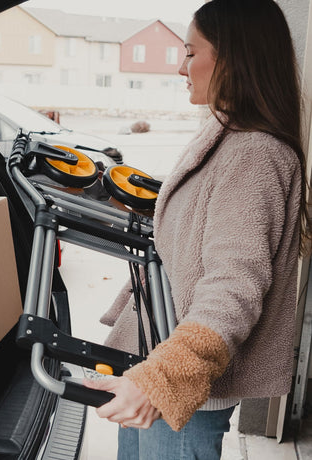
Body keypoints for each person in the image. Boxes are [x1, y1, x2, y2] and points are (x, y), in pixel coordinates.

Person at [84, 0, 312, 458]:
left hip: (182, 389)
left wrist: (161, 381)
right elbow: (205, 233)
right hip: (163, 362)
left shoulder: (253, 155)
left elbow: (233, 288)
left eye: (190, 52)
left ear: (232, 58)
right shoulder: (228, 137)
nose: (181, 68)